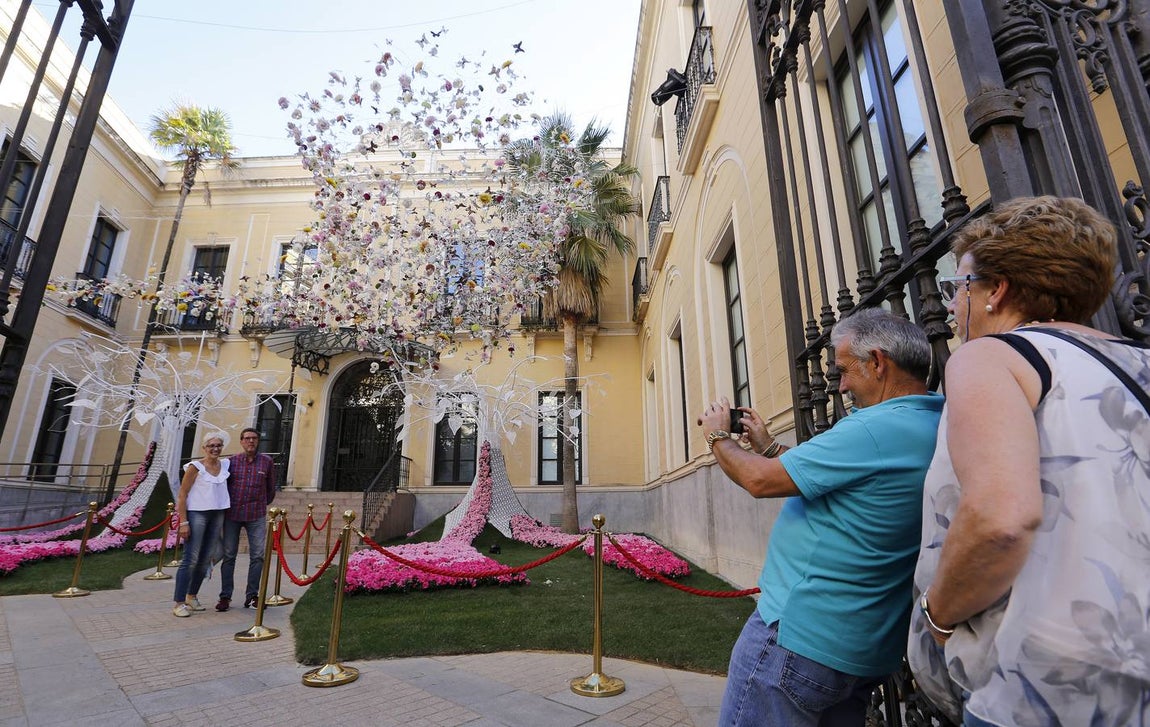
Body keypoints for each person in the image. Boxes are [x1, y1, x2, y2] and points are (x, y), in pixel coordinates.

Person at [908, 196, 1150, 726]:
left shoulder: (990, 357)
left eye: (960, 287)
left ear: (996, 291)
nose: (951, 306)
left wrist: (939, 617)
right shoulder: (1140, 361)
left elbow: (1001, 517)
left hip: (1046, 687)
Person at [699, 307, 944, 726]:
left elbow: (759, 482)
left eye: (845, 370)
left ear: (879, 362)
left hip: (797, 640)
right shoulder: (934, 421)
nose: (842, 384)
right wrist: (770, 447)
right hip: (863, 648)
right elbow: (840, 479)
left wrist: (717, 436)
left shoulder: (872, 429)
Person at [217, 427, 277, 611]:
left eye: (254, 438)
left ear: (258, 441)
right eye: (247, 438)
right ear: (241, 441)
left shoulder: (267, 462)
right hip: (232, 515)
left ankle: (252, 596)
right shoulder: (231, 462)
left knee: (257, 556)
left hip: (256, 515)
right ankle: (225, 597)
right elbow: (223, 486)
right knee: (228, 556)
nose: (250, 441)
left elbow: (271, 489)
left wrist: (260, 503)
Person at [172, 430, 231, 617]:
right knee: (191, 558)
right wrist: (183, 521)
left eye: (218, 445)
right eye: (211, 445)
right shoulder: (195, 467)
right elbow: (182, 495)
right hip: (198, 513)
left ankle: (192, 595)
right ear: (204, 447)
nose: (215, 449)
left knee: (206, 557)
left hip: (217, 513)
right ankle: (179, 602)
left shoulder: (225, 465)